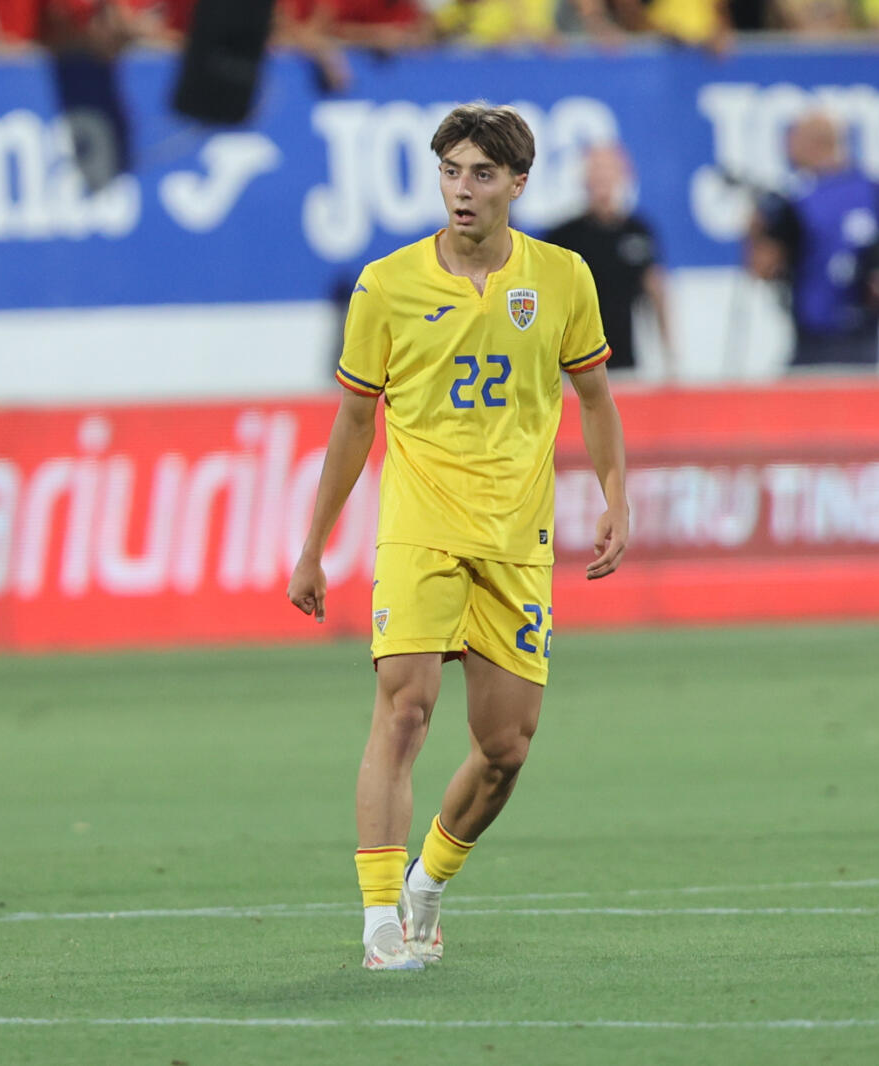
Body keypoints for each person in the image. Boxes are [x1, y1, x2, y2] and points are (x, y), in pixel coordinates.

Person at [286, 102, 629, 972]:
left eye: (481, 173)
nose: (462, 189)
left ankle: (428, 883)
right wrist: (314, 544)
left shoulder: (563, 278)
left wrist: (615, 498)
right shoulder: (386, 285)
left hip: (516, 535)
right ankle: (378, 921)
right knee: (403, 710)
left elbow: (594, 397)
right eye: (450, 171)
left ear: (518, 183)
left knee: (505, 750)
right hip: (420, 526)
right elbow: (354, 420)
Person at [745, 110, 879, 371]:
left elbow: (762, 268)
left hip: (815, 341)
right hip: (866, 343)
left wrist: (755, 229)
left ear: (811, 143)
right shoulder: (877, 191)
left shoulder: (798, 201)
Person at [545, 143, 678, 379]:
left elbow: (656, 292)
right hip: (574, 367)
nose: (602, 178)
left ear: (623, 175)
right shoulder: (563, 237)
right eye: (596, 170)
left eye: (608, 170)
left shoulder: (638, 232)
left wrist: (670, 357)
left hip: (626, 365)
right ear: (584, 177)